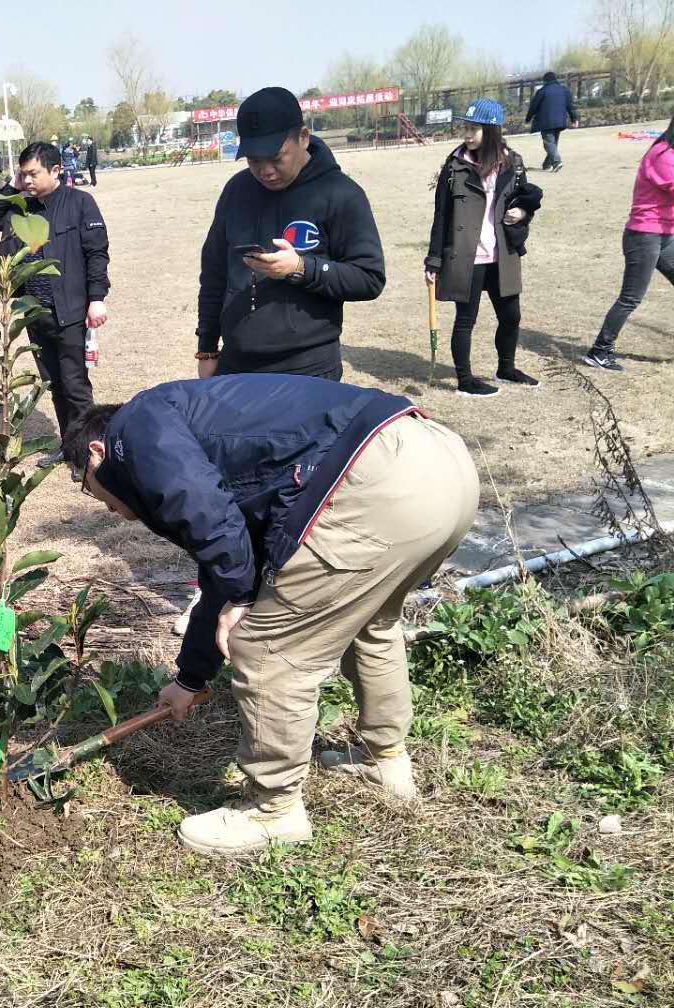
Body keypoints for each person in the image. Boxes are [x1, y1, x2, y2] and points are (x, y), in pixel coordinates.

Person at [63, 377, 478, 854]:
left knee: (266, 648)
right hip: (441, 465)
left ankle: (274, 811)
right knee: (370, 623)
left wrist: (243, 599)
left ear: (96, 452)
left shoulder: (133, 429)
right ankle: (383, 756)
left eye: (82, 483)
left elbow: (210, 521)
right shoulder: (194, 426)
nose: (99, 503)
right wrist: (192, 678)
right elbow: (224, 556)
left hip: (377, 478)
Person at [196, 86, 385, 382]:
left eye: (276, 158)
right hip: (236, 365)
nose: (265, 170)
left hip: (308, 369)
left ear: (303, 138)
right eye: (254, 161)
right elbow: (214, 274)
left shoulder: (342, 194)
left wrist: (301, 269)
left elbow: (369, 278)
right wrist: (207, 349)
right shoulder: (236, 191)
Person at [0, 141, 110, 464]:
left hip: (68, 310)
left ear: (56, 169)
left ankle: (85, 453)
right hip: (32, 312)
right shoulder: (20, 207)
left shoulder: (80, 203)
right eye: (23, 175)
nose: (27, 181)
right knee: (53, 383)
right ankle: (68, 447)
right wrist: (14, 183)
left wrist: (97, 299)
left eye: (33, 174)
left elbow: (97, 253)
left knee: (75, 385)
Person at [425, 99, 543, 398]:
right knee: (466, 319)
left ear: (491, 130)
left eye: (474, 128)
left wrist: (523, 213)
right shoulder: (454, 165)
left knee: (511, 316)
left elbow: (524, 201)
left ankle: (507, 368)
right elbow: (441, 215)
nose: (467, 134)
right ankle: (465, 379)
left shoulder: (513, 163)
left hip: (502, 252)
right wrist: (433, 260)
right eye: (466, 127)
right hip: (468, 254)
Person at [581, 114, 674, 371]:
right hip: (644, 236)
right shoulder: (662, 155)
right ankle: (600, 351)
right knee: (631, 298)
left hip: (665, 235)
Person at [526, 71, 578, 172]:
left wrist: (528, 118)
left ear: (545, 80)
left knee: (549, 143)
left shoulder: (542, 91)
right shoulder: (564, 90)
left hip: (546, 122)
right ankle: (547, 164)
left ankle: (557, 162)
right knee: (553, 144)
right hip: (560, 121)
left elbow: (533, 106)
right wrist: (574, 119)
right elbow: (571, 106)